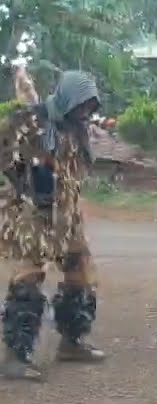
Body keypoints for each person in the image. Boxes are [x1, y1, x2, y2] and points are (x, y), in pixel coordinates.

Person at [0, 71, 106, 380]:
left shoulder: (76, 128)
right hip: (33, 211)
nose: (85, 111)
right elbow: (5, 153)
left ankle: (72, 342)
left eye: (90, 106)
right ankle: (16, 357)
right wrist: (24, 179)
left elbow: (77, 167)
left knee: (80, 272)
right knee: (29, 276)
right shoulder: (30, 120)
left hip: (67, 211)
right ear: (67, 98)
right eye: (81, 104)